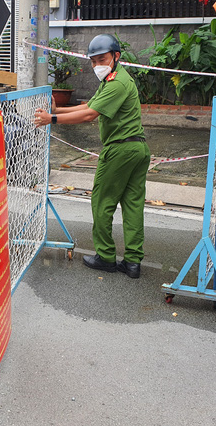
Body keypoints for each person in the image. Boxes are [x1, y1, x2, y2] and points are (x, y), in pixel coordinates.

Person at [34, 34, 151, 279]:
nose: (97, 65)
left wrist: (51, 120)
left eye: (102, 59)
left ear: (116, 57)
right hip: (138, 149)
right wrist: (59, 110)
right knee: (132, 206)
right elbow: (89, 106)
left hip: (120, 150)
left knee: (102, 202)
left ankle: (106, 257)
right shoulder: (113, 80)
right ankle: (132, 262)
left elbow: (89, 116)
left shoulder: (117, 83)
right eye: (93, 61)